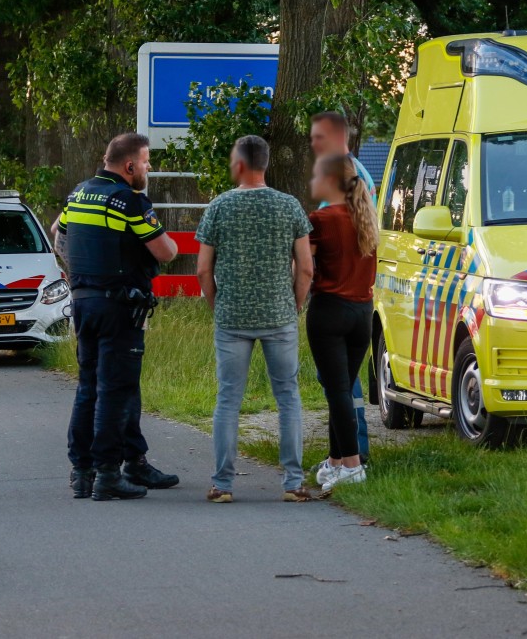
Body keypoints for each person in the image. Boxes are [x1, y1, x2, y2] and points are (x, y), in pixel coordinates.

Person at [53, 133, 179, 501]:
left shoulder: (78, 194)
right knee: (116, 389)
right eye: (146, 161)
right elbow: (167, 251)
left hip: (83, 302)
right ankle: (109, 473)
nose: (148, 168)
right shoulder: (128, 200)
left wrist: (80, 275)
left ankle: (83, 473)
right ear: (129, 166)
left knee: (87, 387)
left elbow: (57, 236)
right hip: (120, 307)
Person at [197, 135, 314, 503]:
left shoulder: (218, 207)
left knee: (229, 399)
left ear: (241, 164)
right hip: (279, 315)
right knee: (288, 397)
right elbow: (306, 268)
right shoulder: (290, 206)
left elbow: (203, 269)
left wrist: (217, 304)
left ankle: (222, 484)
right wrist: (293, 305)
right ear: (264, 163)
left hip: (232, 316)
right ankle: (293, 482)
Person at [308, 112, 374, 472]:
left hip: (331, 309)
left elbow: (305, 266)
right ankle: (337, 460)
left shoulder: (321, 219)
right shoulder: (366, 217)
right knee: (344, 389)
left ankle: (351, 466)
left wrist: (296, 293)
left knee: (338, 392)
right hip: (362, 311)